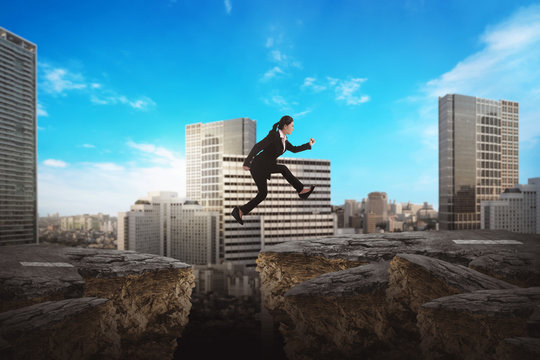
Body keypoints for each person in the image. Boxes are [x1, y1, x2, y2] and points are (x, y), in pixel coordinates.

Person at [231, 115, 315, 225]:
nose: (293, 128)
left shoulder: (284, 140)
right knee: (282, 169)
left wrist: (308, 145)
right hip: (258, 165)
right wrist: (247, 162)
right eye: (292, 126)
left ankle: (240, 211)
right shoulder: (274, 136)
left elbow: (294, 149)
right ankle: (301, 190)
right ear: (285, 126)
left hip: (265, 166)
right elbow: (257, 146)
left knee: (263, 194)